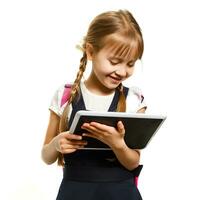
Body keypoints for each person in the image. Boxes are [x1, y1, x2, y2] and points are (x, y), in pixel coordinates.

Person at [41, 10, 147, 200]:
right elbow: (46, 156)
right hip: (74, 193)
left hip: (121, 193)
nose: (122, 71)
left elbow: (133, 163)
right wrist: (57, 144)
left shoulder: (133, 99)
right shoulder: (65, 95)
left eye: (130, 64)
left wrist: (118, 145)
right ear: (90, 51)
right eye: (114, 62)